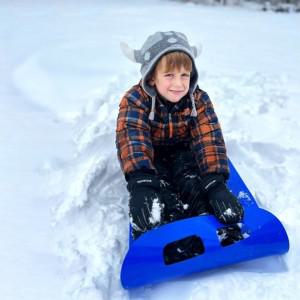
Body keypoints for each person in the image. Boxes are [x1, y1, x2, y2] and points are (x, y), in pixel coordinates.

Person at [116, 31, 244, 242]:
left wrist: (215, 183)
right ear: (151, 77)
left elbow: (208, 136)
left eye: (184, 75)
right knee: (161, 187)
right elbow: (132, 137)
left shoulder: (198, 99)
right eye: (169, 75)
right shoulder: (135, 99)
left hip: (183, 150)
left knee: (191, 180)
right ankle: (168, 226)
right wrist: (142, 183)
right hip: (150, 154)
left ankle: (209, 222)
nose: (178, 84)